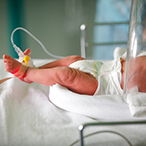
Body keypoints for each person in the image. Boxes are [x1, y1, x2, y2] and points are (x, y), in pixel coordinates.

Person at [3, 48, 146, 95]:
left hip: (105, 85)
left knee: (67, 75)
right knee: (73, 59)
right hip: (106, 66)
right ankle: (37, 71)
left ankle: (27, 73)